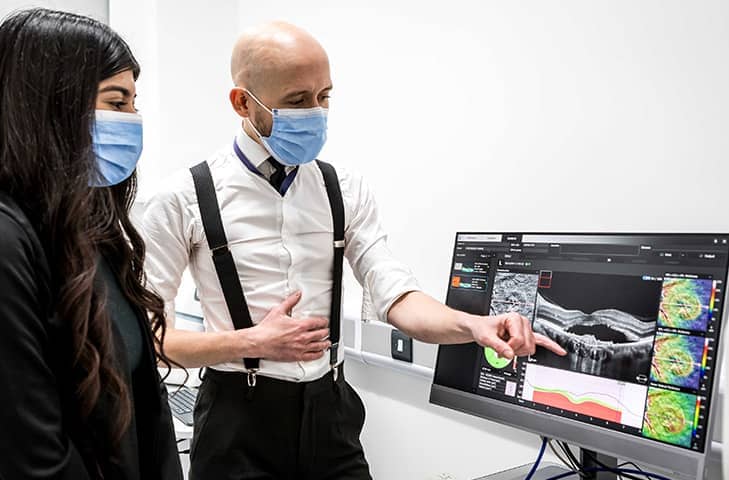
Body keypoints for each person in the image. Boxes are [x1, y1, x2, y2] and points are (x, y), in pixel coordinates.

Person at [140, 21, 565, 479]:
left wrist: (473, 324)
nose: (316, 113)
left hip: (331, 417)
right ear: (243, 102)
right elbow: (151, 339)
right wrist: (250, 342)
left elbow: (395, 294)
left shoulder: (341, 189)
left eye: (325, 97)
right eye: (298, 101)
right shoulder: (182, 198)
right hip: (236, 421)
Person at [0, 9, 182, 480]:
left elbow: (146, 409)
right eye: (117, 103)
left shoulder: (91, 232)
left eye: (133, 104)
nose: (134, 122)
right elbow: (34, 460)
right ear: (53, 105)